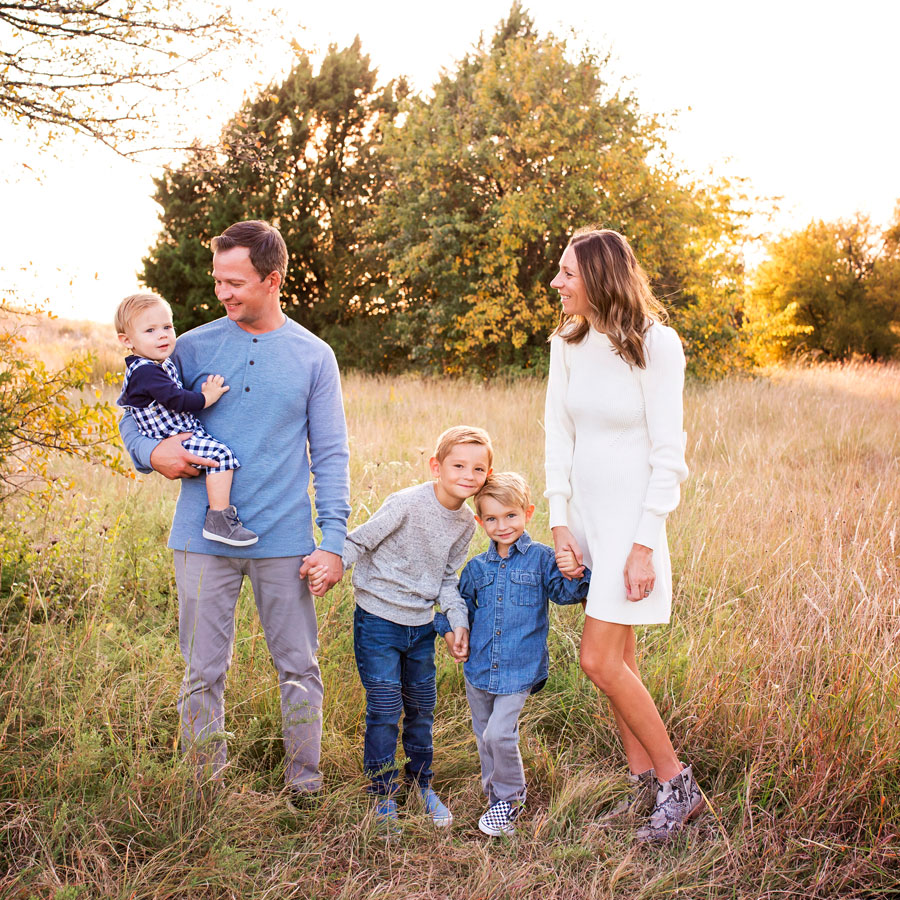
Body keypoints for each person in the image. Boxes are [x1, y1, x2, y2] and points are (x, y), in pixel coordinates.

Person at [118, 220, 350, 798]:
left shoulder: (313, 356)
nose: (222, 292)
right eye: (218, 280)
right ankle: (207, 786)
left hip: (284, 539)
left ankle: (305, 784)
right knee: (202, 673)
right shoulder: (190, 345)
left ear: (272, 280)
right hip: (201, 539)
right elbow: (131, 413)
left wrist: (333, 539)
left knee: (299, 668)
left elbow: (331, 453)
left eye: (235, 281)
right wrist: (154, 453)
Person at [544, 227, 703, 842]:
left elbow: (669, 453)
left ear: (601, 278)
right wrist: (560, 522)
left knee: (598, 659)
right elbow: (558, 434)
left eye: (567, 273)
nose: (557, 282)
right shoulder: (568, 343)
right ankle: (644, 786)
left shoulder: (656, 345)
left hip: (633, 524)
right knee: (621, 661)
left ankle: (676, 783)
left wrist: (644, 543)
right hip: (586, 519)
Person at [334, 425, 492, 831]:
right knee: (385, 710)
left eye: (478, 469)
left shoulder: (466, 525)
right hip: (378, 621)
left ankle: (421, 783)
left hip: (420, 627)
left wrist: (459, 624)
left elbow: (447, 580)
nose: (468, 475)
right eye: (459, 465)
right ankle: (382, 793)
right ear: (436, 466)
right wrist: (331, 565)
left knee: (421, 709)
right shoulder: (406, 503)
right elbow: (360, 541)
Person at [434, 472, 590, 837]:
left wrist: (575, 573)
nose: (502, 526)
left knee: (499, 735)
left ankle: (511, 798)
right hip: (479, 668)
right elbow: (457, 607)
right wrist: (449, 632)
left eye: (510, 516)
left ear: (528, 513)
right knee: (483, 735)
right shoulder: (475, 568)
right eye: (491, 518)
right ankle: (494, 798)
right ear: (479, 521)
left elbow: (565, 595)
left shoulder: (540, 559)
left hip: (519, 670)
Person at [115, 292, 258, 547]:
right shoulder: (146, 371)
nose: (162, 335)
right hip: (172, 438)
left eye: (167, 327)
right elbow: (176, 400)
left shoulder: (156, 363)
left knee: (219, 455)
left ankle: (219, 517)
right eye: (150, 330)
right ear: (127, 340)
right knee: (221, 457)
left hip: (180, 430)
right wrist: (206, 397)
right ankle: (219, 520)